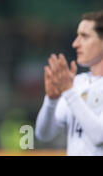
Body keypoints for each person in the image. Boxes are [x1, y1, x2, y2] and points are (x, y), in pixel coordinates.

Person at [35, 10, 103, 155]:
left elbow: (99, 136)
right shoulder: (77, 83)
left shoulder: (71, 89)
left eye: (84, 36)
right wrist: (51, 101)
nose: (75, 43)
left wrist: (68, 91)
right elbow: (43, 134)